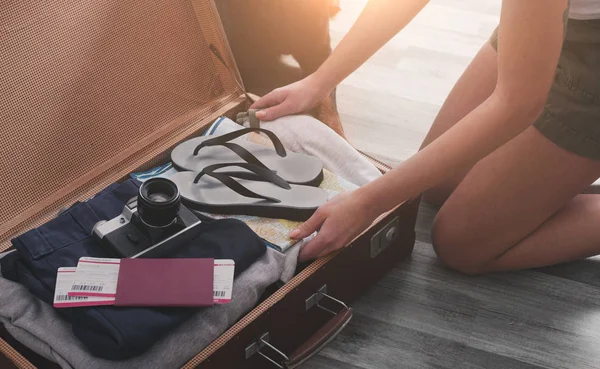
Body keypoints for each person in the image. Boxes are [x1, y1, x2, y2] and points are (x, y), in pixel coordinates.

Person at [250, 0, 600, 274]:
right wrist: (319, 81)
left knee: (461, 244)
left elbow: (519, 103)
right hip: (560, 18)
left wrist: (368, 202)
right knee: (437, 185)